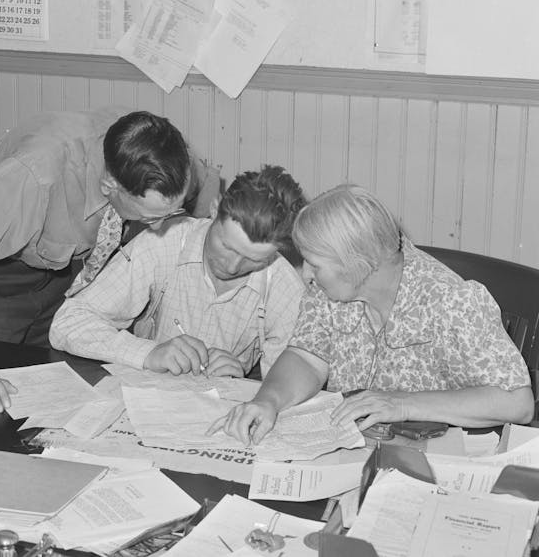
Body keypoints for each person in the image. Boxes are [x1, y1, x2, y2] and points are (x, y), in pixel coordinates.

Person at [0, 108, 220, 414]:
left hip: (68, 275)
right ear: (110, 186)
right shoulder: (37, 174)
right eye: (151, 218)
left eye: (173, 213)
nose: (162, 226)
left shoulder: (164, 156)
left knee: (66, 401)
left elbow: (208, 208)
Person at [215, 184, 534, 447]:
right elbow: (306, 356)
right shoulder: (332, 290)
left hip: (434, 461)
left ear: (356, 264)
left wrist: (402, 404)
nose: (306, 273)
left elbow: (516, 402)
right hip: (354, 452)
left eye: (315, 264)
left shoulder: (450, 300)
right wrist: (268, 400)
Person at [50, 165, 306, 378]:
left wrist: (243, 386)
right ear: (214, 210)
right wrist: (148, 354)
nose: (232, 267)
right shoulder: (163, 242)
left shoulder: (285, 288)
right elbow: (68, 323)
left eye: (253, 260)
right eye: (227, 246)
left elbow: (288, 389)